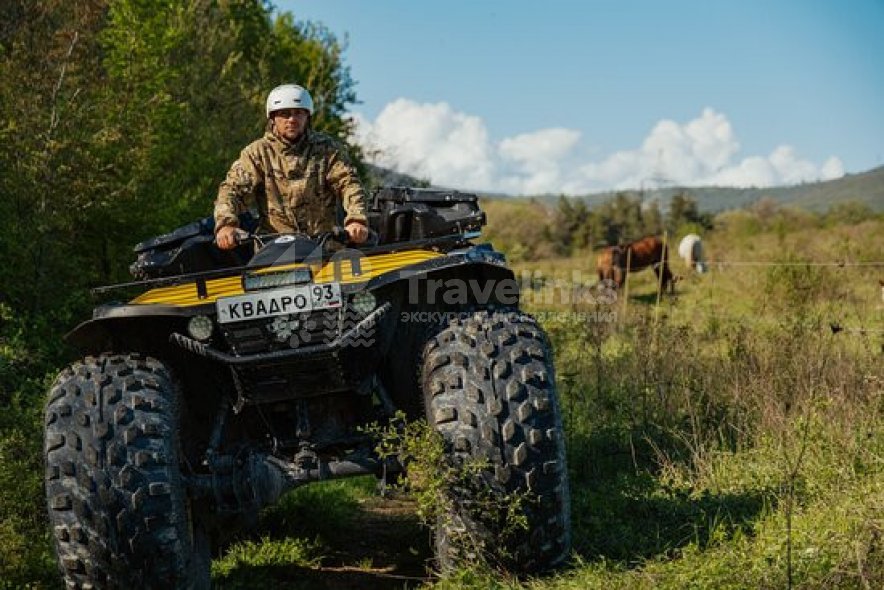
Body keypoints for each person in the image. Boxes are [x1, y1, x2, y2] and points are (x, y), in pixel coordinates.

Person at [214, 83, 369, 250]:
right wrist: (226, 224)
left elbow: (349, 183)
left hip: (324, 249)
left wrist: (356, 219)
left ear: (307, 117)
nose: (292, 119)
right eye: (284, 114)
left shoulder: (327, 149)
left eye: (298, 113)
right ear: (272, 118)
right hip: (273, 251)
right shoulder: (256, 153)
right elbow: (232, 190)